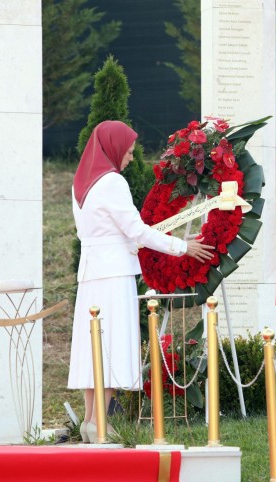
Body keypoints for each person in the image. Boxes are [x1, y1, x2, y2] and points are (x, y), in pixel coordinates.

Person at [67, 120, 213, 443]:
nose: (131, 158)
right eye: (130, 151)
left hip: (91, 275)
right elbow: (137, 231)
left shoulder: (80, 186)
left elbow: (104, 233)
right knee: (111, 344)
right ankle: (97, 422)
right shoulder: (112, 183)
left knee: (94, 347)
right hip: (114, 275)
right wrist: (183, 246)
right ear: (114, 147)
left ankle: (91, 421)